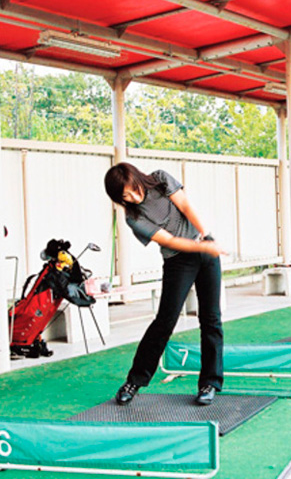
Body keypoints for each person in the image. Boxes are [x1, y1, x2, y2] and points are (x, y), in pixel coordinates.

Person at [104, 163, 224, 406]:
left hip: (205, 250)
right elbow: (169, 240)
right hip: (178, 260)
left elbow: (186, 206)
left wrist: (205, 235)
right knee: (164, 322)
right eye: (125, 196)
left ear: (138, 178)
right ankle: (134, 381)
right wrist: (202, 246)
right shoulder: (133, 216)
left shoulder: (160, 179)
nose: (133, 198)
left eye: (133, 190)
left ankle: (209, 384)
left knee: (211, 319)